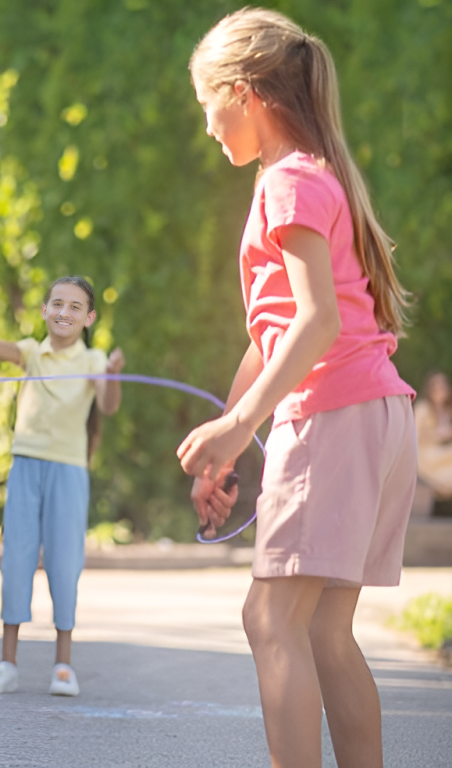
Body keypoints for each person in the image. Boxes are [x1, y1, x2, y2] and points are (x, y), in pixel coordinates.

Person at [178, 8, 416, 768]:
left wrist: (241, 425)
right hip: (377, 414)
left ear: (245, 93)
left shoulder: (287, 183)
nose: (208, 126)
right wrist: (227, 439)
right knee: (321, 630)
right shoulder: (313, 176)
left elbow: (315, 324)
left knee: (269, 618)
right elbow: (272, 334)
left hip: (334, 416)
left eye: (208, 105)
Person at [0, 272, 125, 697]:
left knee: (64, 561)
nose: (64, 312)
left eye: (75, 306)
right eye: (57, 303)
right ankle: (7, 664)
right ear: (44, 310)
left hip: (68, 470)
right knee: (16, 558)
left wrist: (111, 374)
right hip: (26, 466)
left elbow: (108, 406)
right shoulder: (32, 354)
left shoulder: (93, 361)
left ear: (88, 317)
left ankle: (63, 666)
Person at [414, 371, 452, 500]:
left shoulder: (447, 410)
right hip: (425, 455)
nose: (439, 391)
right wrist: (437, 435)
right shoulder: (423, 409)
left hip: (441, 454)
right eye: (436, 387)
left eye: (442, 387)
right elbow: (414, 436)